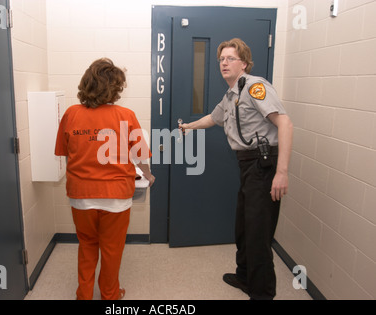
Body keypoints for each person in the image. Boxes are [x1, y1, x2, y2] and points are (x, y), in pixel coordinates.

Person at [179, 38, 293, 300]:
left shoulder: (255, 87)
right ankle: (245, 277)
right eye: (221, 59)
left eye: (230, 58)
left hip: (263, 165)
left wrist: (282, 172)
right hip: (247, 166)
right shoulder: (232, 93)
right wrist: (188, 127)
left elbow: (285, 124)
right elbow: (214, 118)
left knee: (258, 232)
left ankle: (262, 293)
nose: (224, 63)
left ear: (244, 63)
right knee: (244, 227)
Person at [55, 58, 155, 300]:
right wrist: (148, 175)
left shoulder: (71, 114)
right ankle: (110, 295)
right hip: (116, 198)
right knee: (112, 250)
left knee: (87, 246)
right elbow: (140, 155)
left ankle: (84, 295)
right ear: (115, 88)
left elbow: (66, 154)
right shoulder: (126, 115)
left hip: (81, 195)